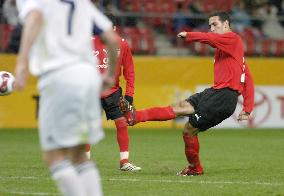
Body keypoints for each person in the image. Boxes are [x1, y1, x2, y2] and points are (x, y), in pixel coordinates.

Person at [119, 12, 255, 176]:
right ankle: (135, 117)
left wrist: (189, 35)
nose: (211, 29)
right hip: (213, 92)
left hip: (223, 98)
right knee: (178, 107)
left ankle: (195, 168)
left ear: (226, 24)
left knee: (188, 130)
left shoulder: (233, 39)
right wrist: (247, 108)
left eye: (215, 25)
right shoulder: (229, 50)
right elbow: (247, 77)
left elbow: (209, 39)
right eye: (209, 25)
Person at [14, 0, 119, 195]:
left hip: (59, 77)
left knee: (54, 156)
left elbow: (35, 16)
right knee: (79, 155)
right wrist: (110, 74)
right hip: (88, 77)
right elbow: (112, 40)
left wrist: (21, 62)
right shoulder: (82, 3)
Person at [86, 15, 141, 172]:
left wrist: (129, 94)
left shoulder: (122, 44)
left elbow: (129, 71)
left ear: (115, 29)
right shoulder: (88, 42)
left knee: (122, 123)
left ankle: (124, 161)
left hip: (113, 92)